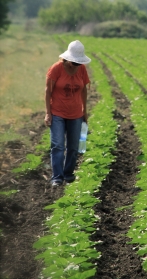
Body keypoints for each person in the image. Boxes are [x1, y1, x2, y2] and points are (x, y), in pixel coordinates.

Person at [44, 40, 91, 187]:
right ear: (68, 59)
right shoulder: (56, 69)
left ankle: (68, 173)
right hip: (57, 112)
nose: (77, 65)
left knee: (73, 145)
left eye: (79, 63)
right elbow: (48, 91)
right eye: (75, 63)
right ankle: (57, 177)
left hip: (76, 113)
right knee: (57, 145)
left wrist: (85, 111)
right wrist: (48, 113)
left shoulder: (82, 69)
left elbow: (84, 89)